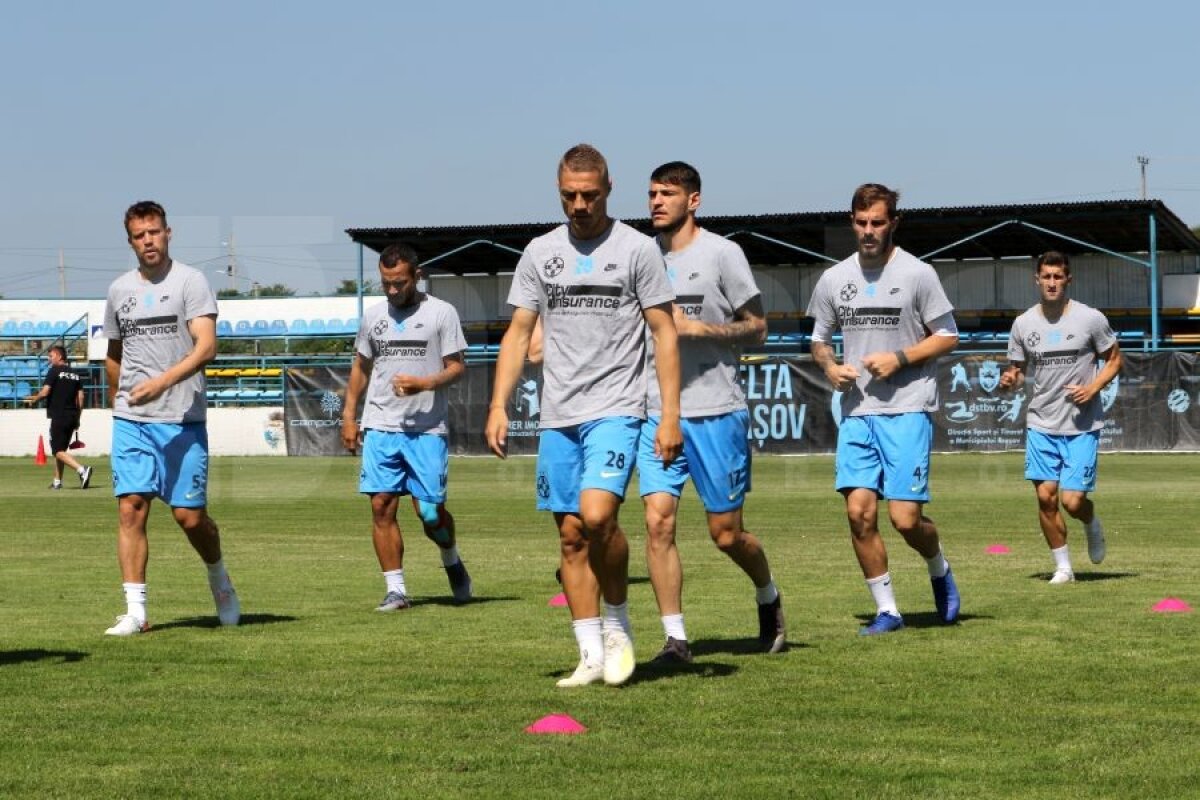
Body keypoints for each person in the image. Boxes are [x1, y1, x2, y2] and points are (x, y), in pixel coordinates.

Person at [485, 143, 682, 687]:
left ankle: (618, 625)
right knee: (571, 536)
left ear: (608, 189)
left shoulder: (637, 250)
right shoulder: (539, 253)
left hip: (618, 407)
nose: (579, 205)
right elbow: (519, 333)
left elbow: (665, 331)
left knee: (598, 518)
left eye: (589, 195)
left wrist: (669, 415)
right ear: (558, 190)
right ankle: (590, 653)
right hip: (557, 416)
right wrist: (499, 404)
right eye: (570, 195)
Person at [638, 161, 783, 663]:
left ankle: (768, 595)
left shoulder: (723, 254)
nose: (656, 201)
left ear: (693, 200)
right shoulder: (639, 257)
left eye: (668, 193)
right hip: (656, 413)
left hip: (717, 411)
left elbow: (758, 328)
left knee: (726, 534)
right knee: (658, 522)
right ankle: (676, 640)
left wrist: (703, 331)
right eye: (652, 193)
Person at [806, 183, 961, 636]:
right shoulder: (835, 279)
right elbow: (818, 339)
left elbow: (948, 335)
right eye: (861, 222)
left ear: (894, 222)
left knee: (905, 520)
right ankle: (888, 610)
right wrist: (830, 366)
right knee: (859, 513)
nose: (868, 231)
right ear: (851, 222)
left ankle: (938, 565)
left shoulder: (917, 274)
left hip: (908, 409)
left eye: (877, 222)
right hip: (857, 413)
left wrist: (901, 358)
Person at [101, 200, 239, 636]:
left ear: (168, 233)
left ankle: (219, 579)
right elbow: (113, 354)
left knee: (189, 517)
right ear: (130, 242)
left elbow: (206, 348)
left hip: (181, 418)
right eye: (140, 235)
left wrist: (161, 383)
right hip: (132, 419)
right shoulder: (119, 290)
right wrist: (118, 398)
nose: (148, 241)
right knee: (131, 509)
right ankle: (136, 612)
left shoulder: (191, 282)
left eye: (154, 232)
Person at [341, 243, 472, 610]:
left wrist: (424, 384)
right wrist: (350, 416)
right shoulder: (373, 317)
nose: (393, 290)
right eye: (386, 283)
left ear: (417, 275)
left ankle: (451, 559)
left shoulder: (442, 314)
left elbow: (457, 366)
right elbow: (360, 368)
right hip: (381, 424)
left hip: (427, 429)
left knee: (429, 514)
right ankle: (396, 589)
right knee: (382, 505)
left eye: (400, 282)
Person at [999, 251, 1121, 583]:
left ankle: (1091, 522)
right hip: (1041, 422)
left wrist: (1093, 387)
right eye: (1046, 276)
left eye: (1058, 276)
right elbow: (1018, 370)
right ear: (1036, 280)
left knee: (1072, 500)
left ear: (1068, 280)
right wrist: (1010, 379)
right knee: (1045, 497)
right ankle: (1063, 567)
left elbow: (1114, 360)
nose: (1052, 282)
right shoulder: (1023, 324)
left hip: (1081, 424)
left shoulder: (1090, 318)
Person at [24, 345, 93, 490]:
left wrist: (33, 401)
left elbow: (45, 392)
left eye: (51, 356)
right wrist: (78, 419)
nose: (49, 360)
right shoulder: (75, 374)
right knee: (61, 449)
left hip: (59, 415)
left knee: (57, 451)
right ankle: (57, 481)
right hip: (72, 415)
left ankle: (82, 470)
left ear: (59, 356)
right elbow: (81, 398)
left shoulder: (54, 371)